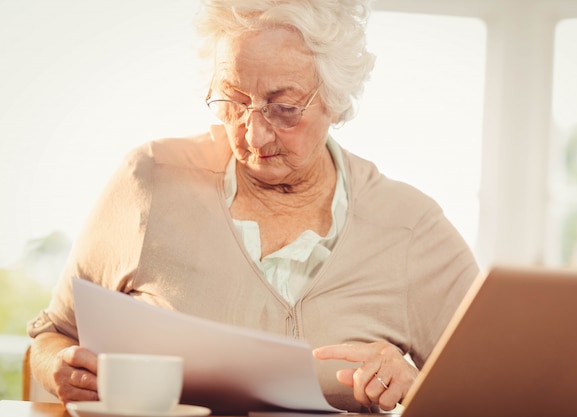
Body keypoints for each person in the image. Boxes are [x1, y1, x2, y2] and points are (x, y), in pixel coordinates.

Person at [27, 0, 479, 412]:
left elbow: (496, 391)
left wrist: (415, 385)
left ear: (336, 102)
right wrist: (60, 370)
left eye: (283, 108)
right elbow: (54, 334)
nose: (253, 135)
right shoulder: (150, 179)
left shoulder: (410, 227)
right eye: (234, 100)